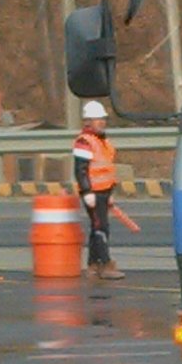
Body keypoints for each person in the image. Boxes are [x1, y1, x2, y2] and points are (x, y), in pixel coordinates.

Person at [73, 98, 119, 275]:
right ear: (88, 122)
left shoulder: (102, 141)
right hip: (93, 192)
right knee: (101, 228)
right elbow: (80, 169)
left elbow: (107, 168)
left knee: (97, 227)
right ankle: (105, 264)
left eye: (103, 119)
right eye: (97, 119)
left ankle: (93, 264)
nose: (102, 122)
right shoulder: (84, 141)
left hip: (104, 191)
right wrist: (87, 191)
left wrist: (110, 192)